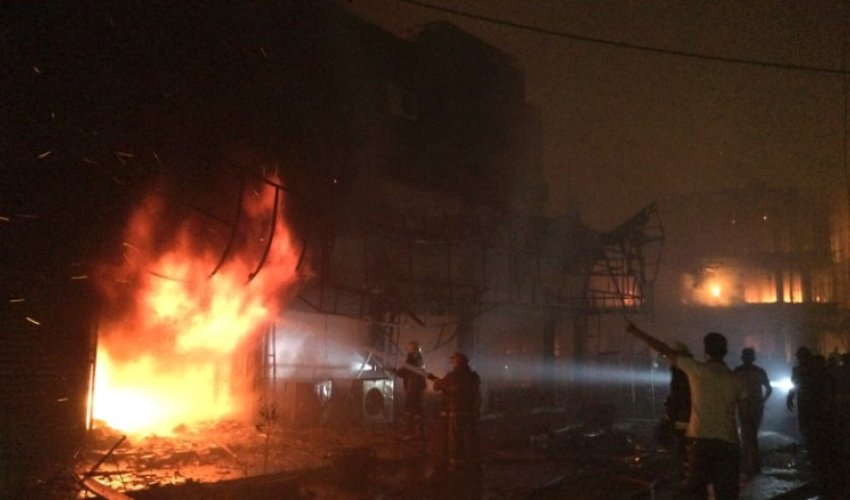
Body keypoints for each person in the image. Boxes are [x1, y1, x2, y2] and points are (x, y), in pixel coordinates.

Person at [626, 322, 754, 500]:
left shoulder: (696, 370)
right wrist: (750, 452)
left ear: (705, 352)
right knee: (727, 493)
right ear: (726, 351)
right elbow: (746, 420)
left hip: (700, 444)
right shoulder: (738, 381)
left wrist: (635, 331)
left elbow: (663, 349)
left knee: (696, 492)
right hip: (728, 445)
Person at [787, 348, 839, 498]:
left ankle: (823, 467)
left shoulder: (819, 371)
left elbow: (828, 390)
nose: (801, 360)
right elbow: (795, 385)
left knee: (819, 436)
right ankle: (817, 461)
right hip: (806, 406)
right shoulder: (798, 370)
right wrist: (790, 396)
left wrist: (827, 407)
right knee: (809, 432)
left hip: (817, 408)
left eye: (803, 357)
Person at [427, 352, 482, 478]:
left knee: (455, 439)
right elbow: (477, 394)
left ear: (457, 363)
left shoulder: (452, 376)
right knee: (471, 438)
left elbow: (438, 386)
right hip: (470, 412)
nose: (452, 364)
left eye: (453, 361)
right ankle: (473, 462)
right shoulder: (473, 376)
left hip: (455, 412)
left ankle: (456, 464)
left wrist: (434, 379)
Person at [733, 347, 772, 477]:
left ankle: (747, 465)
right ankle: (754, 464)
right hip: (756, 406)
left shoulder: (737, 371)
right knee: (752, 435)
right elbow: (769, 389)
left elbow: (732, 390)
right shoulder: (759, 371)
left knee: (746, 435)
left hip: (744, 406)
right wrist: (762, 400)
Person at [663, 342, 693, 481]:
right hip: (685, 411)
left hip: (682, 412)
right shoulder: (686, 369)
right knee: (684, 443)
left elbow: (680, 393)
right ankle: (687, 474)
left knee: (681, 443)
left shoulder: (681, 372)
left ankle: (684, 476)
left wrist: (670, 407)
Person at [392, 340, 427, 440]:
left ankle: (410, 432)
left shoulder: (412, 359)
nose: (408, 349)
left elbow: (405, 372)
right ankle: (418, 432)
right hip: (418, 388)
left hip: (413, 388)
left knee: (410, 410)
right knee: (416, 410)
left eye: (409, 347)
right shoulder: (419, 358)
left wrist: (394, 371)